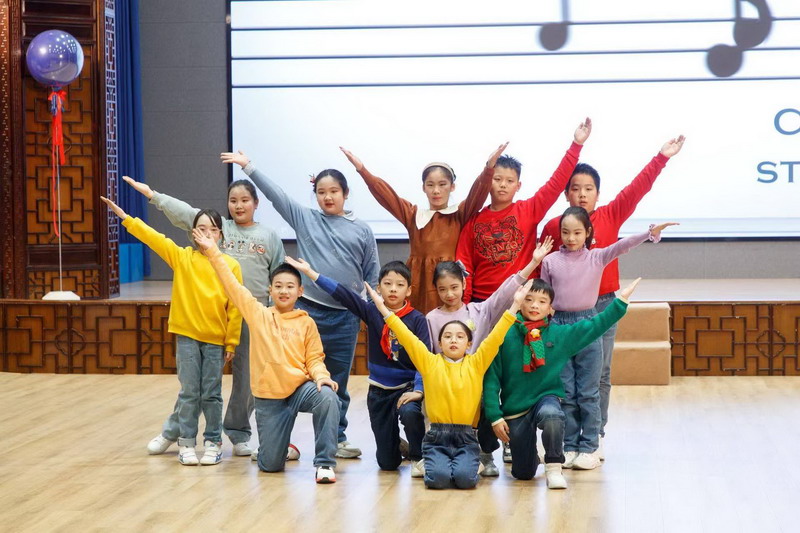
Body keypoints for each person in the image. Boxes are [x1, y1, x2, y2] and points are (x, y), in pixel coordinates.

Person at [221, 150, 380, 459]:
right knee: (290, 377)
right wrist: (248, 166)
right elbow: (277, 195)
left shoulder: (362, 229)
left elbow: (371, 274)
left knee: (337, 380)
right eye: (321, 192)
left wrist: (371, 314)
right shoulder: (306, 219)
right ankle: (285, 442)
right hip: (307, 313)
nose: (327, 197)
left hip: (345, 317)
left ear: (345, 193)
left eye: (334, 191)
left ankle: (337, 437)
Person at [537, 135, 685, 452]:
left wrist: (661, 157)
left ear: (597, 193)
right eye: (575, 188)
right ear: (565, 193)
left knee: (599, 375)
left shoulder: (611, 214)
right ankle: (569, 439)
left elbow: (637, 188)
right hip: (562, 315)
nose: (581, 194)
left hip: (602, 307)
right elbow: (542, 270)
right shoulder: (553, 226)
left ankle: (596, 436)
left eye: (588, 188)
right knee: (566, 380)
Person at [122, 175, 285, 458]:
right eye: (233, 200)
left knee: (246, 379)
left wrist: (275, 315)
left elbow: (279, 276)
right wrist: (153, 195)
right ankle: (174, 431)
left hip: (254, 314)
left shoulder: (269, 236)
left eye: (245, 200)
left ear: (256, 203)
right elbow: (185, 212)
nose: (239, 205)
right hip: (215, 317)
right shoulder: (218, 227)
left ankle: (238, 433)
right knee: (197, 384)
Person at [100, 195, 242, 466]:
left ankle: (213, 442)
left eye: (213, 229)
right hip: (187, 337)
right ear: (193, 233)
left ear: (221, 235)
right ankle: (186, 443)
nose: (207, 234)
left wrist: (231, 342)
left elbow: (235, 306)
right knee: (189, 393)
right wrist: (125, 218)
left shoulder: (230, 265)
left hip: (215, 341)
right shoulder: (182, 257)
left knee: (211, 394)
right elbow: (153, 237)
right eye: (201, 228)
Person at [194, 227, 341, 484]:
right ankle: (283, 448)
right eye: (279, 286)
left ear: (300, 291)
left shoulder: (306, 322)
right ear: (269, 290)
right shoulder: (259, 314)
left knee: (328, 397)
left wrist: (321, 376)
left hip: (299, 389)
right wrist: (213, 251)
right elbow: (233, 285)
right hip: (269, 398)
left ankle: (325, 464)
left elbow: (315, 358)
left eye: (290, 287)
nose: (284, 291)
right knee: (270, 466)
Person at [540, 206, 677, 470]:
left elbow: (623, 245)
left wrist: (649, 233)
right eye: (565, 232)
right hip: (559, 328)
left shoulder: (597, 257)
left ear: (587, 232)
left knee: (588, 392)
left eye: (577, 232)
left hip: (589, 325)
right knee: (566, 392)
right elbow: (545, 296)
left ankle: (589, 447)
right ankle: (569, 445)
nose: (571, 238)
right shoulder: (550, 261)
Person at [365, 278, 533, 489]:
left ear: (469, 343)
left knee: (465, 480)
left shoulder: (477, 362)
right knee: (438, 480)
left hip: (466, 437)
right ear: (439, 342)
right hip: (437, 437)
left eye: (460, 336)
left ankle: (469, 463)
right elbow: (406, 336)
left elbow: (496, 336)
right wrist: (383, 309)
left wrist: (515, 305)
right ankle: (434, 462)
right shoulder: (429, 362)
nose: (453, 340)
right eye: (447, 336)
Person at [484, 278, 639, 488]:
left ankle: (553, 466)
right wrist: (495, 416)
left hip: (546, 397)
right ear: (519, 303)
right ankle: (530, 457)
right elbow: (491, 378)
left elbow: (594, 326)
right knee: (523, 473)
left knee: (553, 416)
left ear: (551, 309)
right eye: (529, 300)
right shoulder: (504, 334)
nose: (534, 305)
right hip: (515, 407)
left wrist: (620, 302)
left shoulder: (559, 334)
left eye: (542, 301)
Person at [286, 257, 429, 477]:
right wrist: (311, 272)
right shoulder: (372, 311)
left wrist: (418, 390)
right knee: (388, 464)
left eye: (400, 285)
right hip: (379, 391)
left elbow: (425, 359)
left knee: (411, 414)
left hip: (407, 388)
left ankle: (418, 456)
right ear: (378, 288)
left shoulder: (417, 319)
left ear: (409, 290)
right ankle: (397, 445)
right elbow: (343, 294)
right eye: (388, 284)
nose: (393, 289)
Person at [426, 239, 554, 476]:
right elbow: (428, 356)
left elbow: (506, 291)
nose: (449, 294)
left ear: (464, 284)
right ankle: (442, 452)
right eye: (442, 289)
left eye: (454, 287)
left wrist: (533, 262)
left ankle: (486, 452)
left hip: (477, 381)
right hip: (447, 385)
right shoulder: (431, 318)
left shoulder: (479, 311)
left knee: (488, 402)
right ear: (435, 289)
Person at [339, 143, 508, 313]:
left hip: (448, 282)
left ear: (452, 187)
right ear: (423, 187)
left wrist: (489, 168)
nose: (436, 191)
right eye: (430, 185)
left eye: (442, 184)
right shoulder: (414, 215)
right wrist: (362, 170)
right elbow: (387, 197)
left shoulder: (459, 214)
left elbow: (478, 192)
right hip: (418, 285)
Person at [455, 119, 592, 303]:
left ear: (518, 185)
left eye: (510, 181)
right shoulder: (474, 221)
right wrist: (464, 306)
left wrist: (576, 145)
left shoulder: (528, 210)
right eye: (497, 179)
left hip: (522, 299)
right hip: (482, 301)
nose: (503, 185)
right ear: (489, 181)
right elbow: (464, 267)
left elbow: (556, 183)